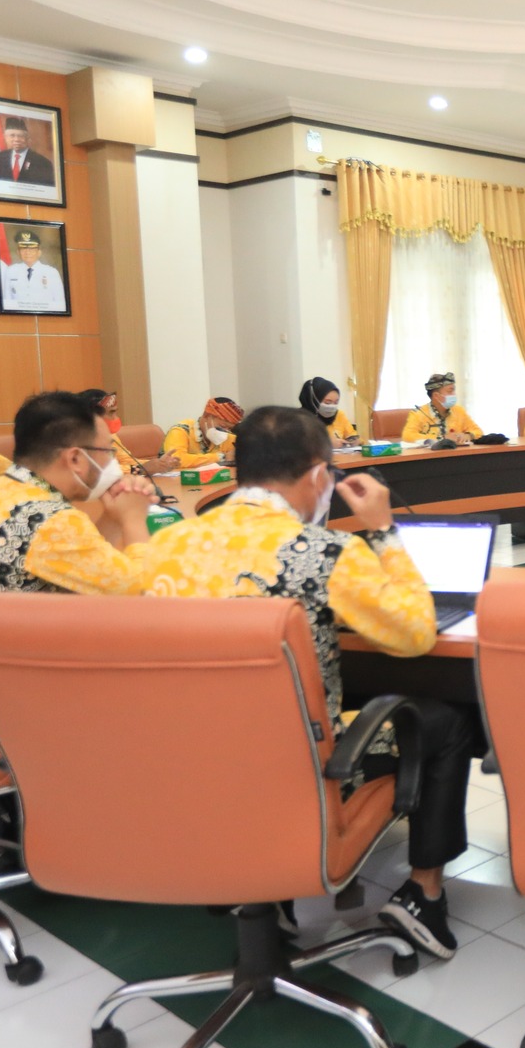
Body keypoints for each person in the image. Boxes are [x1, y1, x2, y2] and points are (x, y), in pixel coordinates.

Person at [140, 406, 473, 958]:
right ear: (320, 476)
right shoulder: (322, 553)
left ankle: (268, 898)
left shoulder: (164, 548)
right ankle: (425, 896)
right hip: (296, 773)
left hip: (188, 768)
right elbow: (414, 634)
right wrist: (383, 531)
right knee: (444, 718)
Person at [0, 392, 158, 744]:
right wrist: (136, 521)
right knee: (157, 677)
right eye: (108, 452)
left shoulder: (1, 491)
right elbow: (146, 600)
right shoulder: (48, 519)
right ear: (75, 458)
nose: (116, 463)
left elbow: (91, 570)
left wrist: (112, 515)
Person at [79, 388, 178, 476]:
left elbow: (127, 461)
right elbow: (101, 472)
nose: (116, 418)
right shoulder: (75, 441)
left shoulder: (111, 437)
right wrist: (140, 470)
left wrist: (159, 464)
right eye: (111, 413)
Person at [163, 398, 244, 469]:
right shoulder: (181, 431)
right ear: (207, 415)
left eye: (229, 428)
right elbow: (176, 460)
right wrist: (222, 457)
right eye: (222, 426)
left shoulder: (228, 437)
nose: (225, 431)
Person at [0, 229, 66, 313]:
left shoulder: (51, 273)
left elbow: (60, 303)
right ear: (18, 252)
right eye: (23, 249)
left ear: (39, 252)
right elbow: (6, 300)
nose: (27, 253)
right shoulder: (11, 271)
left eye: (31, 249)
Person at [402, 373, 482, 444]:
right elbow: (407, 436)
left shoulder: (458, 411)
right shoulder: (418, 414)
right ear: (436, 396)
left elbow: (478, 431)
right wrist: (441, 438)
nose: (454, 394)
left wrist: (468, 436)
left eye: (454, 391)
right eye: (450, 391)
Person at [0, 118, 54, 187]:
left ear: (27, 138)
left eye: (20, 136)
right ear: (5, 137)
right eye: (12, 135)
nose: (16, 139)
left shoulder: (42, 162)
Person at [298, 377, 358, 446]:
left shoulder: (339, 415)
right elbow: (297, 447)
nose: (332, 407)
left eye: (336, 403)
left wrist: (354, 441)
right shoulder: (299, 420)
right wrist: (326, 444)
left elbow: (352, 435)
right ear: (313, 402)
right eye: (327, 403)